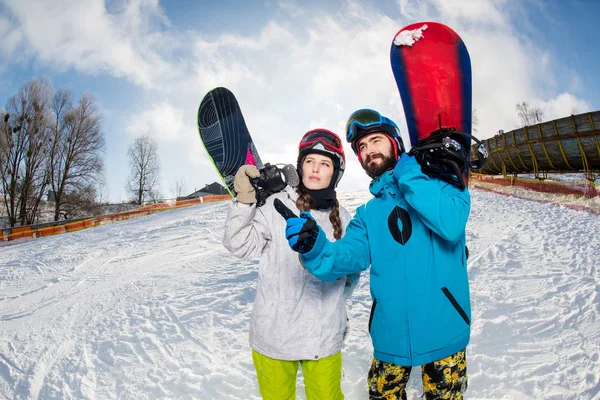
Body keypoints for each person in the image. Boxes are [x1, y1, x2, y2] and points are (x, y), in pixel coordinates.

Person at [275, 109, 471, 399]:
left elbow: (451, 224)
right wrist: (315, 247)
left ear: (396, 143)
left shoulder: (442, 184)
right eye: (362, 148)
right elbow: (346, 256)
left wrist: (408, 171)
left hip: (444, 333)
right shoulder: (367, 215)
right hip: (390, 336)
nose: (368, 151)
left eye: (376, 141)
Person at [223, 128, 360, 400]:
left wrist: (334, 309)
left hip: (322, 340)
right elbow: (238, 244)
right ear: (300, 165)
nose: (315, 169)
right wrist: (245, 201)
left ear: (336, 173)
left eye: (325, 164)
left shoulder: (344, 220)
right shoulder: (276, 204)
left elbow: (350, 276)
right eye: (310, 161)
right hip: (274, 337)